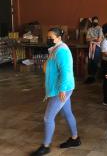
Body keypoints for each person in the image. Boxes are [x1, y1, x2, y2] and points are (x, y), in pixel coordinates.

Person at [30, 28, 81, 156]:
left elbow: (66, 71)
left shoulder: (61, 51)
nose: (48, 40)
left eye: (51, 37)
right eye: (47, 37)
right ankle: (75, 139)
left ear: (58, 38)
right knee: (67, 113)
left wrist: (62, 89)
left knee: (48, 118)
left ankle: (45, 146)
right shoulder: (55, 49)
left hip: (61, 89)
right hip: (62, 87)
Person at [84, 16, 103, 84]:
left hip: (97, 47)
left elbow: (99, 39)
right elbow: (86, 39)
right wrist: (95, 38)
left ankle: (94, 77)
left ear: (97, 21)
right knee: (90, 61)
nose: (95, 22)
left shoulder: (100, 28)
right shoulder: (89, 29)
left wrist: (91, 39)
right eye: (94, 21)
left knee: (95, 61)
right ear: (92, 21)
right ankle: (90, 76)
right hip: (90, 47)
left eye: (96, 21)